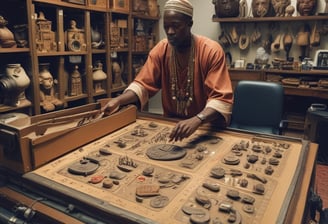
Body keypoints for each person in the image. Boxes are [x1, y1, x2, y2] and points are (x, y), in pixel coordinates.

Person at [102, 0, 233, 141]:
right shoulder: (161, 49)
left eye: (176, 26)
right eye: (166, 26)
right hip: (172, 125)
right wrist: (118, 100)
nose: (170, 32)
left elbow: (221, 99)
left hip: (205, 126)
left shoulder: (211, 51)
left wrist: (197, 119)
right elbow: (142, 85)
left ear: (190, 24)